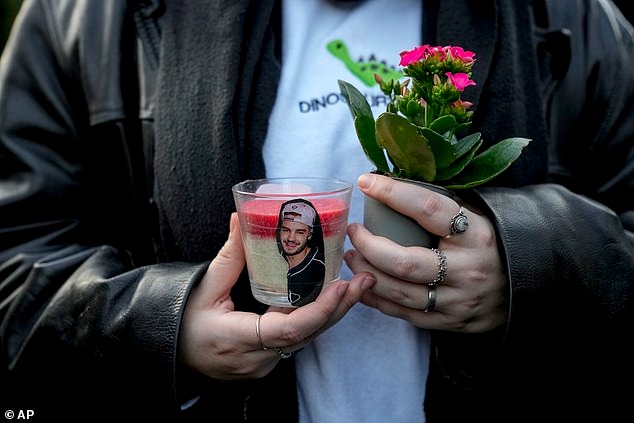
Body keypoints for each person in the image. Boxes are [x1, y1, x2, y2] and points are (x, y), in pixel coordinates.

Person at [0, 0, 632, 422]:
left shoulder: (572, 16)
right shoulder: (84, 17)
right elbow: (17, 261)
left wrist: (534, 269)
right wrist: (165, 328)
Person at [277, 200, 326, 307]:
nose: (291, 238)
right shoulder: (275, 259)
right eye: (286, 230)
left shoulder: (317, 268)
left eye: (299, 232)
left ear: (310, 234)